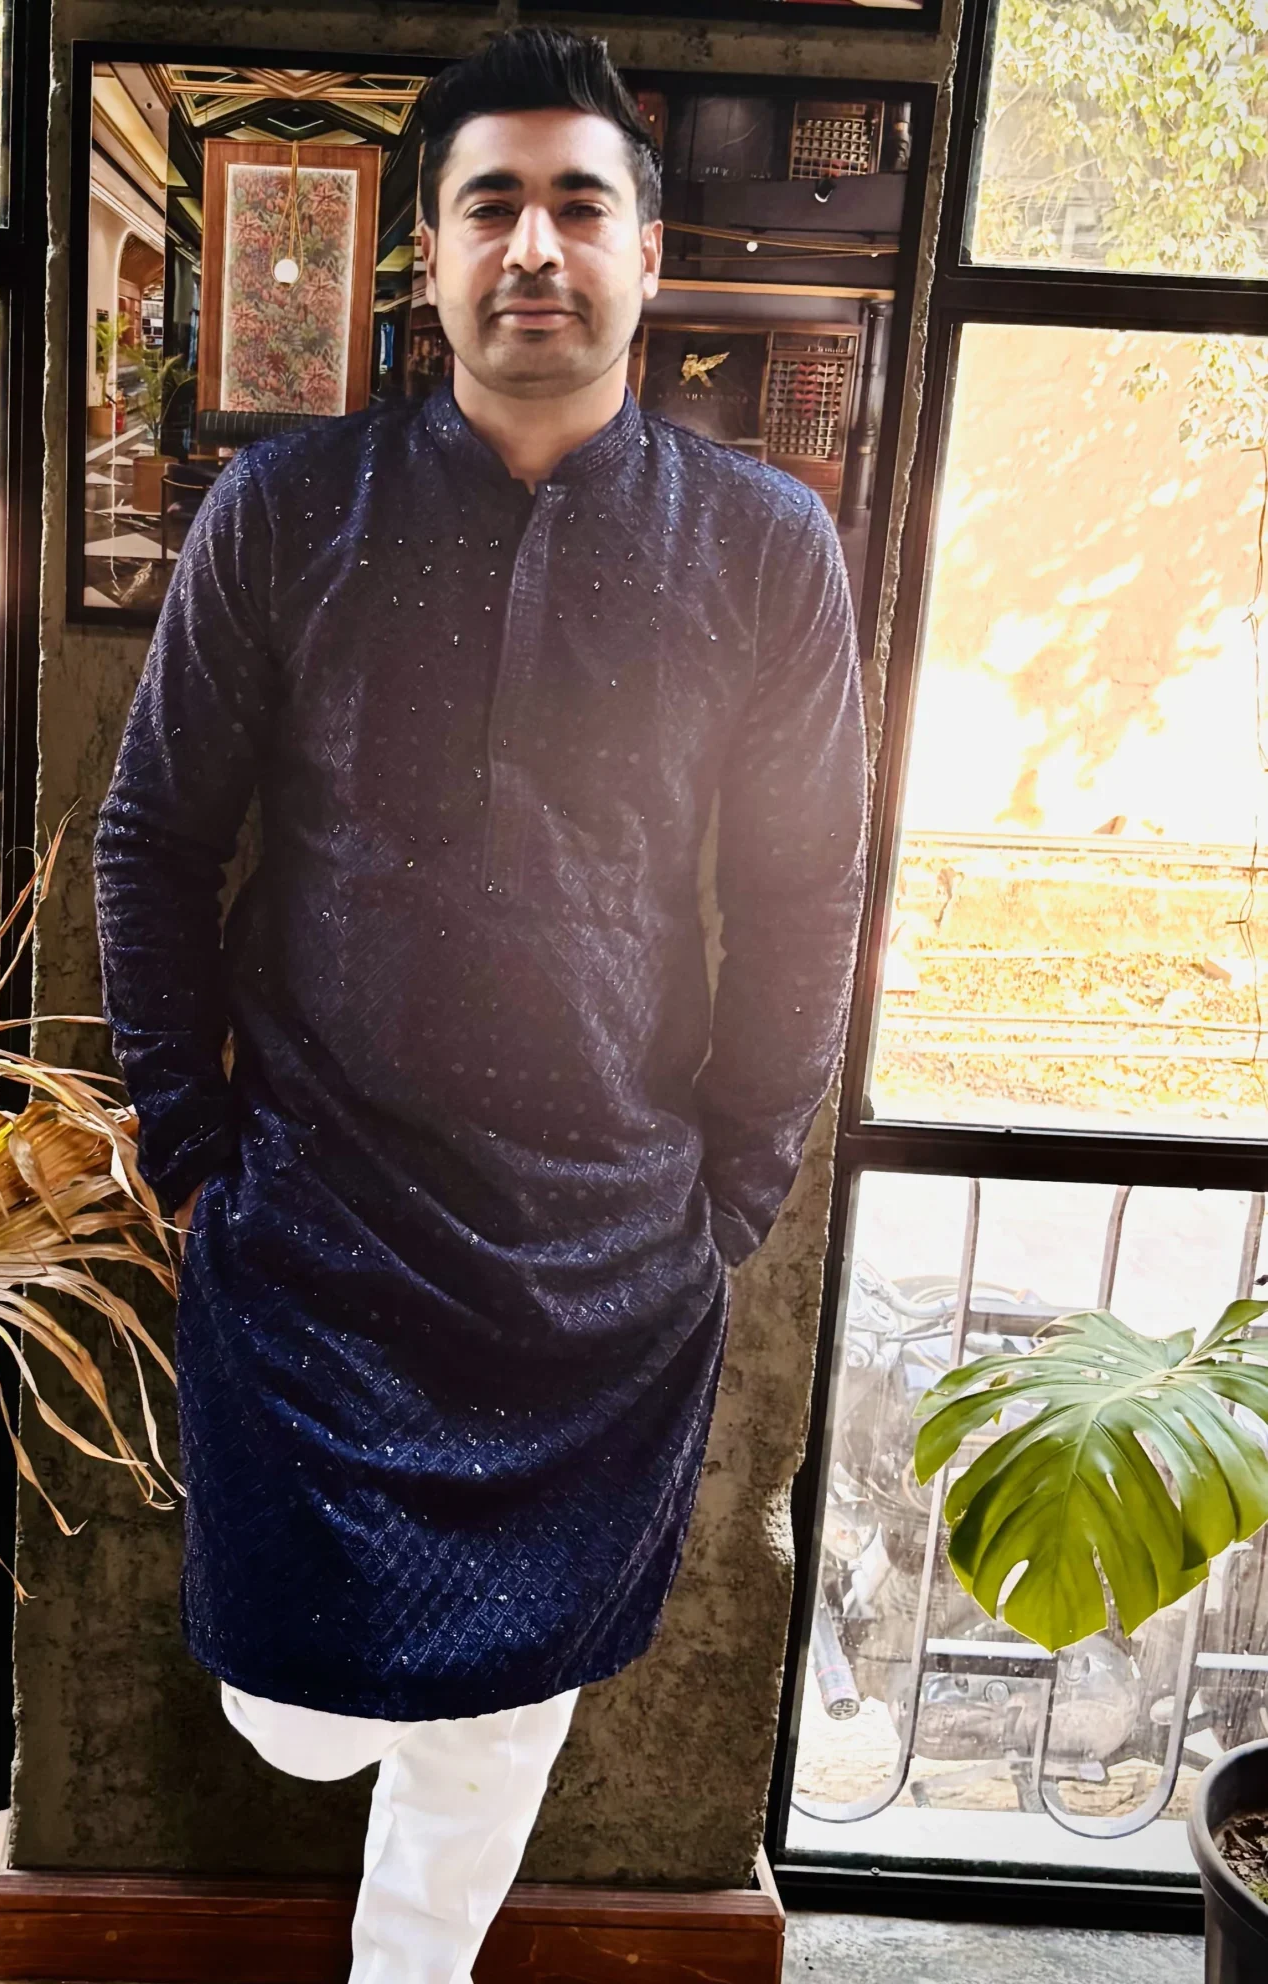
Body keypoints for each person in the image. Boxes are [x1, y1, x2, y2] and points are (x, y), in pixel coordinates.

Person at [94, 25, 869, 1984]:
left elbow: (804, 895)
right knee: (290, 1703)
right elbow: (154, 836)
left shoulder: (764, 545)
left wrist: (729, 1191)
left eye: (578, 205)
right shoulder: (287, 508)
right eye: (492, 205)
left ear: (644, 254)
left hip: (600, 1256)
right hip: (313, 1226)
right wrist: (190, 1149)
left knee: (507, 1709)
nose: (536, 244)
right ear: (427, 254)